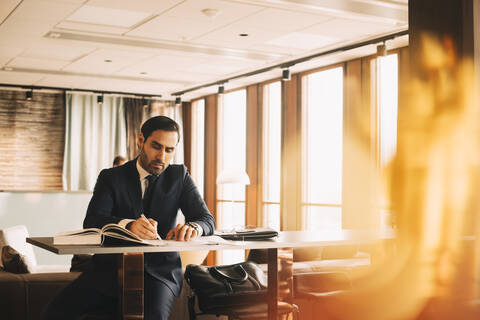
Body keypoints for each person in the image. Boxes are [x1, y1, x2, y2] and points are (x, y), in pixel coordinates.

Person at [42, 116, 215, 320]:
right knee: (54, 312)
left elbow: (206, 219)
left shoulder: (180, 176)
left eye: (169, 150)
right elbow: (93, 220)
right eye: (156, 146)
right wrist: (128, 226)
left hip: (160, 273)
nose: (162, 156)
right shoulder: (111, 177)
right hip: (108, 271)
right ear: (141, 141)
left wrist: (194, 227)